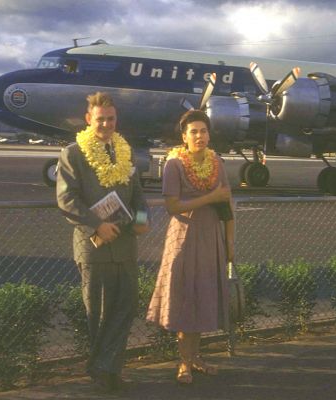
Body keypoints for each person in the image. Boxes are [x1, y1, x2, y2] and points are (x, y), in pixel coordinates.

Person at [56, 91, 149, 392]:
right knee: (96, 310)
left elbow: (138, 194)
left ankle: (108, 366)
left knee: (126, 304)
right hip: (93, 242)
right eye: (100, 119)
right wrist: (98, 224)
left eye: (110, 119)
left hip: (124, 245)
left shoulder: (125, 151)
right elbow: (66, 199)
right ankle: (103, 371)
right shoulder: (73, 153)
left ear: (116, 119)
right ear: (88, 119)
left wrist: (142, 221)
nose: (106, 124)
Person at [147, 109, 234, 384]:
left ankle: (195, 357)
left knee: (202, 297)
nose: (200, 136)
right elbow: (173, 206)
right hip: (183, 238)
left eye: (204, 131)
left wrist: (230, 244)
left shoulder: (217, 162)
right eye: (194, 132)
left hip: (210, 237)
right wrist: (210, 197)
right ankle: (183, 362)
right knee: (186, 297)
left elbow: (227, 205)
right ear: (184, 137)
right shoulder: (174, 164)